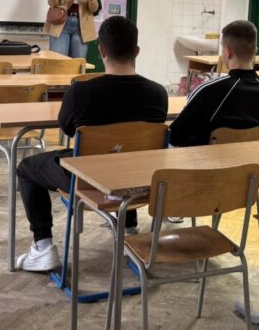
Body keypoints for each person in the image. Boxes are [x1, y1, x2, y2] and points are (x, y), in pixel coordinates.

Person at [15, 16, 168, 272]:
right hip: (137, 180)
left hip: (88, 180)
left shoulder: (81, 91)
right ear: (137, 51)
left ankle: (42, 247)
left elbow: (67, 129)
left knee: (27, 168)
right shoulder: (158, 93)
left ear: (101, 50)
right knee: (128, 155)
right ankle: (129, 231)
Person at [168, 20, 259, 147]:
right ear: (255, 51)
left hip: (213, 158)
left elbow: (175, 135)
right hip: (256, 158)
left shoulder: (209, 90)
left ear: (228, 51)